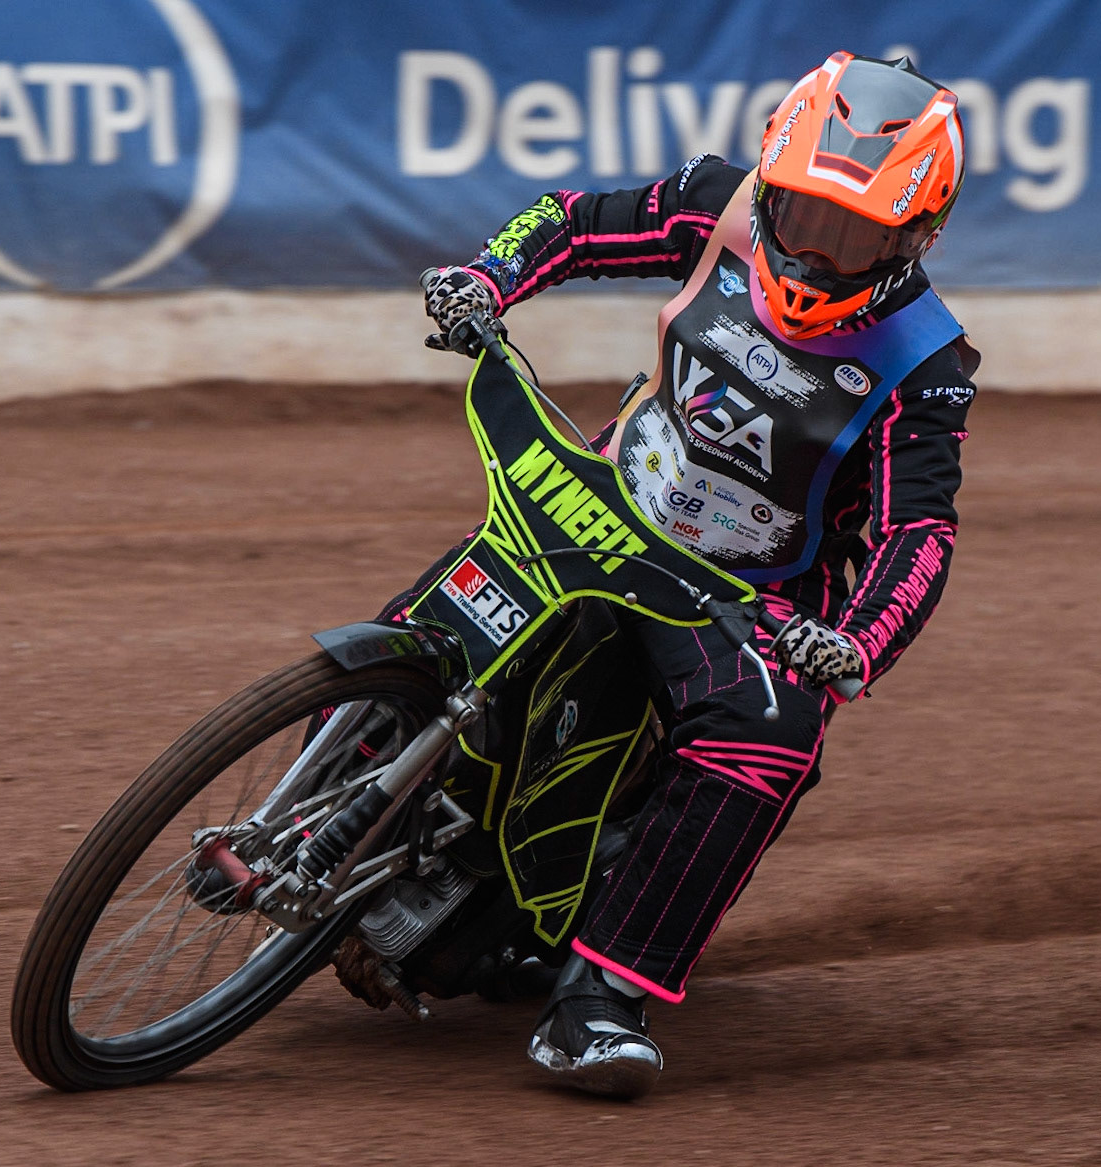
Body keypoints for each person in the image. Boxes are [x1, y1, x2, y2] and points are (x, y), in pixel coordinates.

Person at [417, 51, 978, 1099]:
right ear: (769, 178)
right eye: (799, 216)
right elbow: (574, 223)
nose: (812, 252)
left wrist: (852, 643)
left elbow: (917, 534)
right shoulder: (718, 204)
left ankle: (594, 1005)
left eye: (851, 237)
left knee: (772, 738)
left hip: (752, 598)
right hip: (612, 498)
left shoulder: (925, 366)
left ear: (916, 237)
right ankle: (318, 806)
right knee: (451, 613)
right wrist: (483, 279)